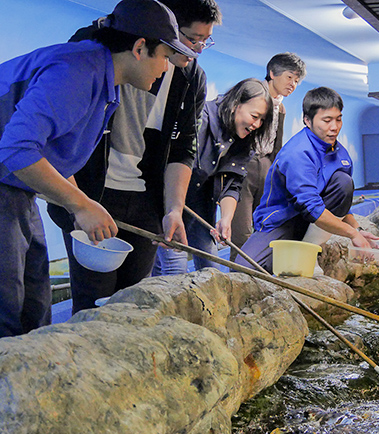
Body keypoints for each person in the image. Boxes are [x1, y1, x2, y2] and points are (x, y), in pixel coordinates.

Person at [0, 0, 198, 337]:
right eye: (165, 56)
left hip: (19, 188)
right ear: (139, 48)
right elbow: (17, 149)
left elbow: (54, 152)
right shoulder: (76, 70)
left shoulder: (106, 82)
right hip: (8, 182)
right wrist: (81, 204)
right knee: (8, 303)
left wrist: (77, 203)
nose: (166, 67)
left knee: (33, 299)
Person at [46, 0, 221, 314]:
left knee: (134, 302)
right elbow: (46, 143)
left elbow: (183, 148)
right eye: (190, 39)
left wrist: (174, 209)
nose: (196, 50)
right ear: (150, 38)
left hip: (145, 200)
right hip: (91, 192)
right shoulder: (92, 51)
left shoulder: (191, 76)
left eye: (204, 42)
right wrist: (77, 202)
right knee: (92, 302)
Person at [234, 87, 378, 274]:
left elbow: (340, 199)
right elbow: (311, 207)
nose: (334, 127)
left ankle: (310, 250)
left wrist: (357, 228)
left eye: (338, 119)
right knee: (245, 269)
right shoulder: (299, 153)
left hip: (314, 223)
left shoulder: (340, 154)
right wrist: (352, 234)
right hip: (283, 221)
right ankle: (293, 253)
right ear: (307, 121)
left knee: (344, 182)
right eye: (326, 120)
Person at [153, 78, 273, 274]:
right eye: (254, 116)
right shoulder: (201, 119)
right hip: (170, 198)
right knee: (174, 267)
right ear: (236, 104)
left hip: (200, 203)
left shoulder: (244, 139)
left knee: (211, 270)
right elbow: (176, 163)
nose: (257, 124)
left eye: (262, 120)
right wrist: (172, 209)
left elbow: (232, 183)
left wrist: (226, 218)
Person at [229, 52, 306, 261]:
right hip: (243, 164)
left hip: (265, 167)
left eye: (297, 81)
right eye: (289, 77)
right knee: (241, 230)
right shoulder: (253, 95)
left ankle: (260, 275)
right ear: (272, 73)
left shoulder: (280, 107)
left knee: (265, 225)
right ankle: (238, 277)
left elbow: (276, 146)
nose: (293, 84)